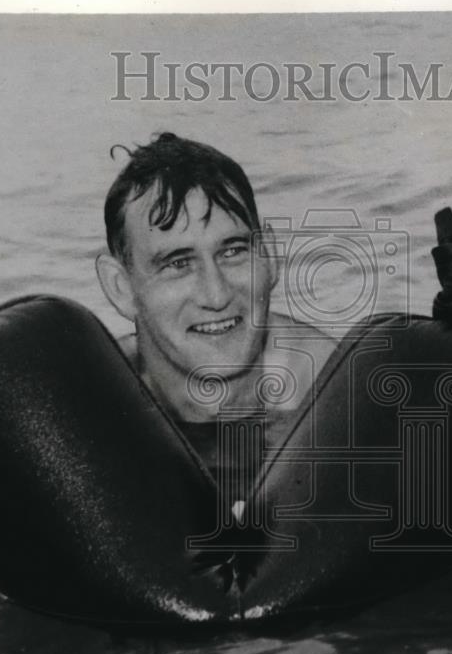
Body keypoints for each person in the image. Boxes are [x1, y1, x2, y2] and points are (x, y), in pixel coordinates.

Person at [94, 132, 336, 502]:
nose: (216, 294)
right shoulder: (94, 401)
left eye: (233, 251)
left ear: (269, 256)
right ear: (121, 288)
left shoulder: (333, 389)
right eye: (177, 264)